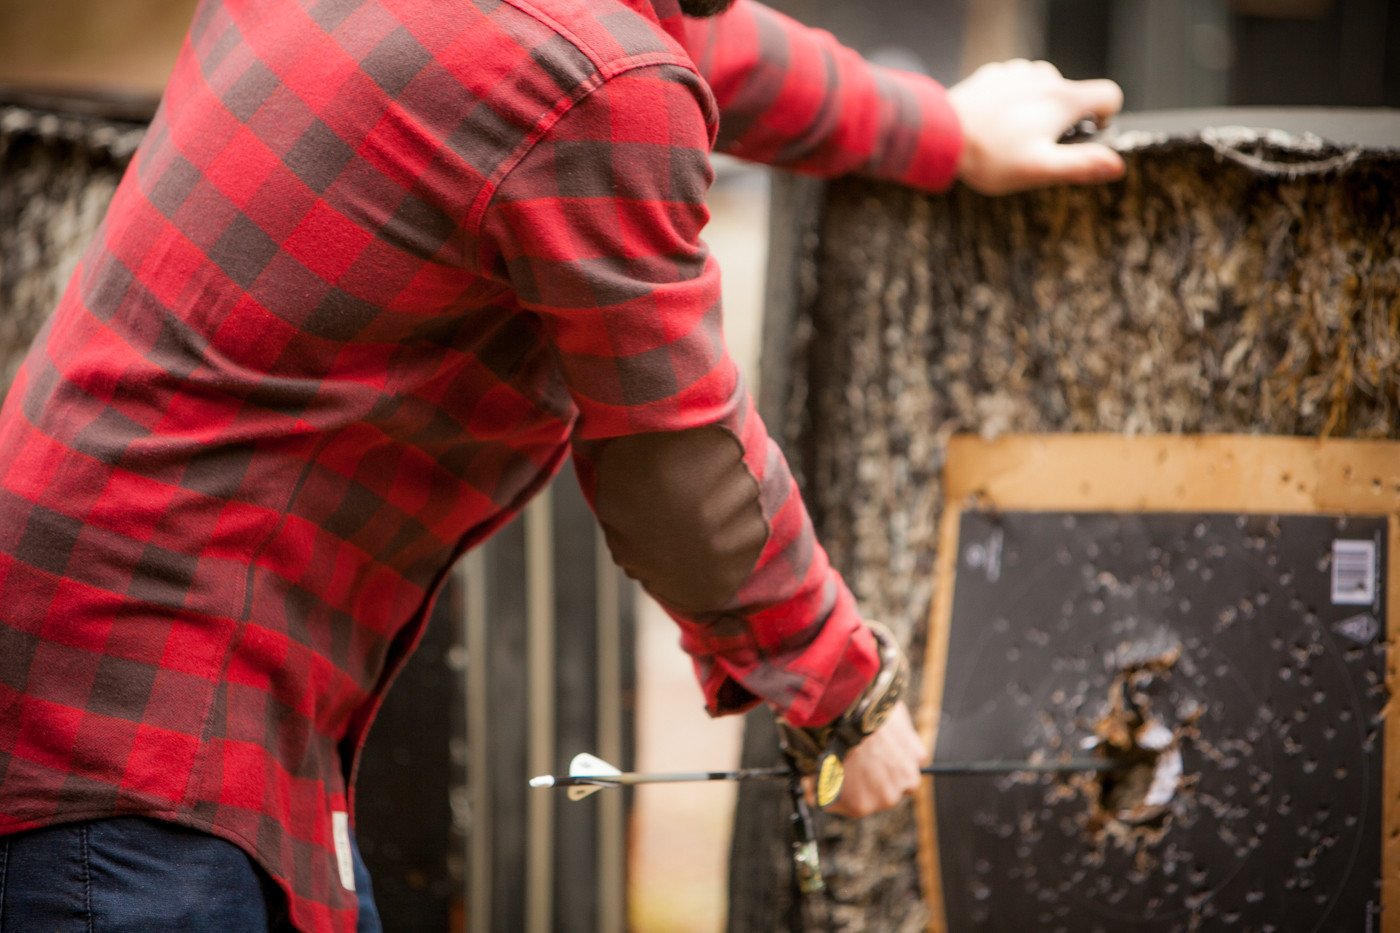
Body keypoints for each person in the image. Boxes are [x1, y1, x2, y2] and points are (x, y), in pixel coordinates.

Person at [0, 0, 1123, 927]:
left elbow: (700, 44)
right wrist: (843, 690)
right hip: (144, 744)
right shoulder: (590, 79)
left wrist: (935, 128)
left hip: (108, 673)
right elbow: (673, 468)